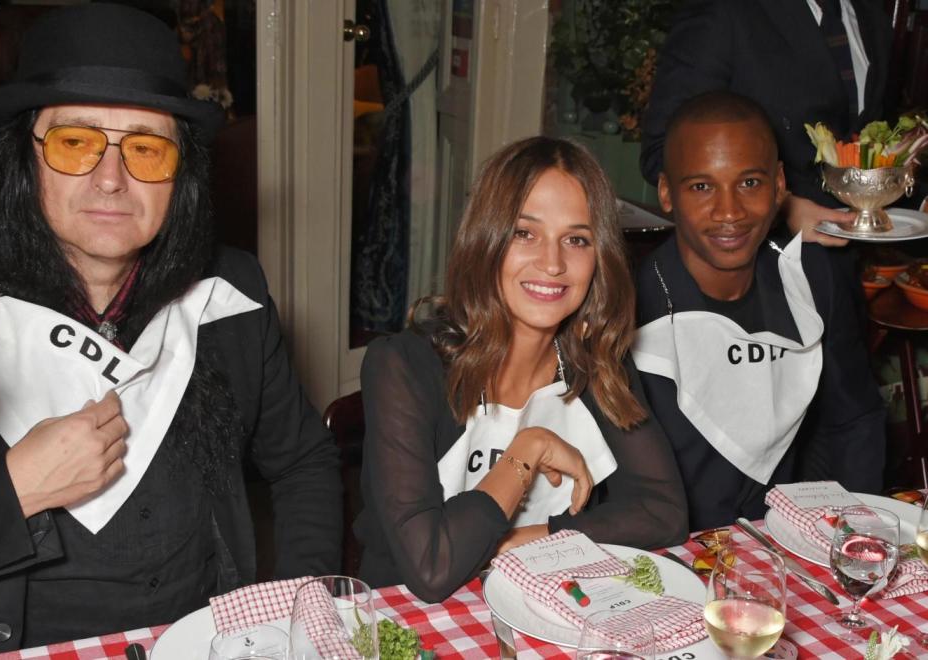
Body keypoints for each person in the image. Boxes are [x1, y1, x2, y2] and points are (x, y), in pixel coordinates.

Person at [0, 4, 341, 654]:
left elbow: (303, 462)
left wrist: (293, 613)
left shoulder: (230, 295)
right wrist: (13, 492)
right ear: (25, 161)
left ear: (181, 176)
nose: (111, 179)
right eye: (75, 142)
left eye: (145, 148)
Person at [355, 136, 689, 602]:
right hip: (410, 623)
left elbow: (664, 510)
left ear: (599, 259)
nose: (552, 263)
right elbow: (430, 569)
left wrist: (515, 543)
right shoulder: (403, 367)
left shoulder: (593, 358)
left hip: (537, 602)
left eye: (576, 239)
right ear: (485, 241)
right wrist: (527, 451)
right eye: (524, 233)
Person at [633, 91, 886, 530]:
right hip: (668, 552)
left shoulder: (811, 278)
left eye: (749, 183)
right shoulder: (625, 305)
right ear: (666, 194)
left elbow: (853, 422)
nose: (729, 212)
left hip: (786, 546)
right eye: (701, 186)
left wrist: (852, 536)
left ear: (780, 186)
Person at [639, 0, 896, 246]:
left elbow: (870, 149)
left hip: (849, 261)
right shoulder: (724, 11)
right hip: (754, 261)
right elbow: (662, 152)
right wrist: (783, 207)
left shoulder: (872, 17)